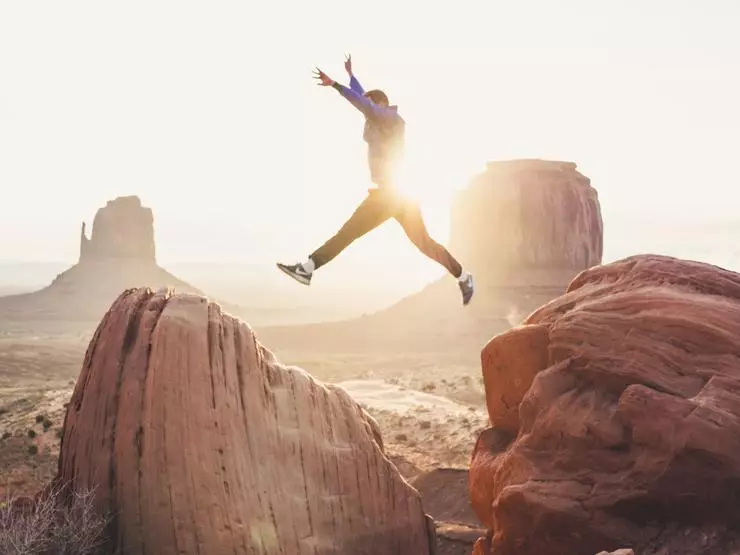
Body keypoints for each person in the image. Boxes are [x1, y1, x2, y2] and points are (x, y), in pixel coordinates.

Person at [277, 55, 474, 305]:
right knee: (424, 243)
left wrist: (336, 85)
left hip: (390, 195)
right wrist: (351, 76)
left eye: (369, 105)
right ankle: (463, 276)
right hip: (399, 195)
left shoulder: (389, 118)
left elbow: (364, 104)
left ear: (381, 103)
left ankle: (307, 268)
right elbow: (363, 99)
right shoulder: (378, 117)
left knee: (348, 233)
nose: (364, 110)